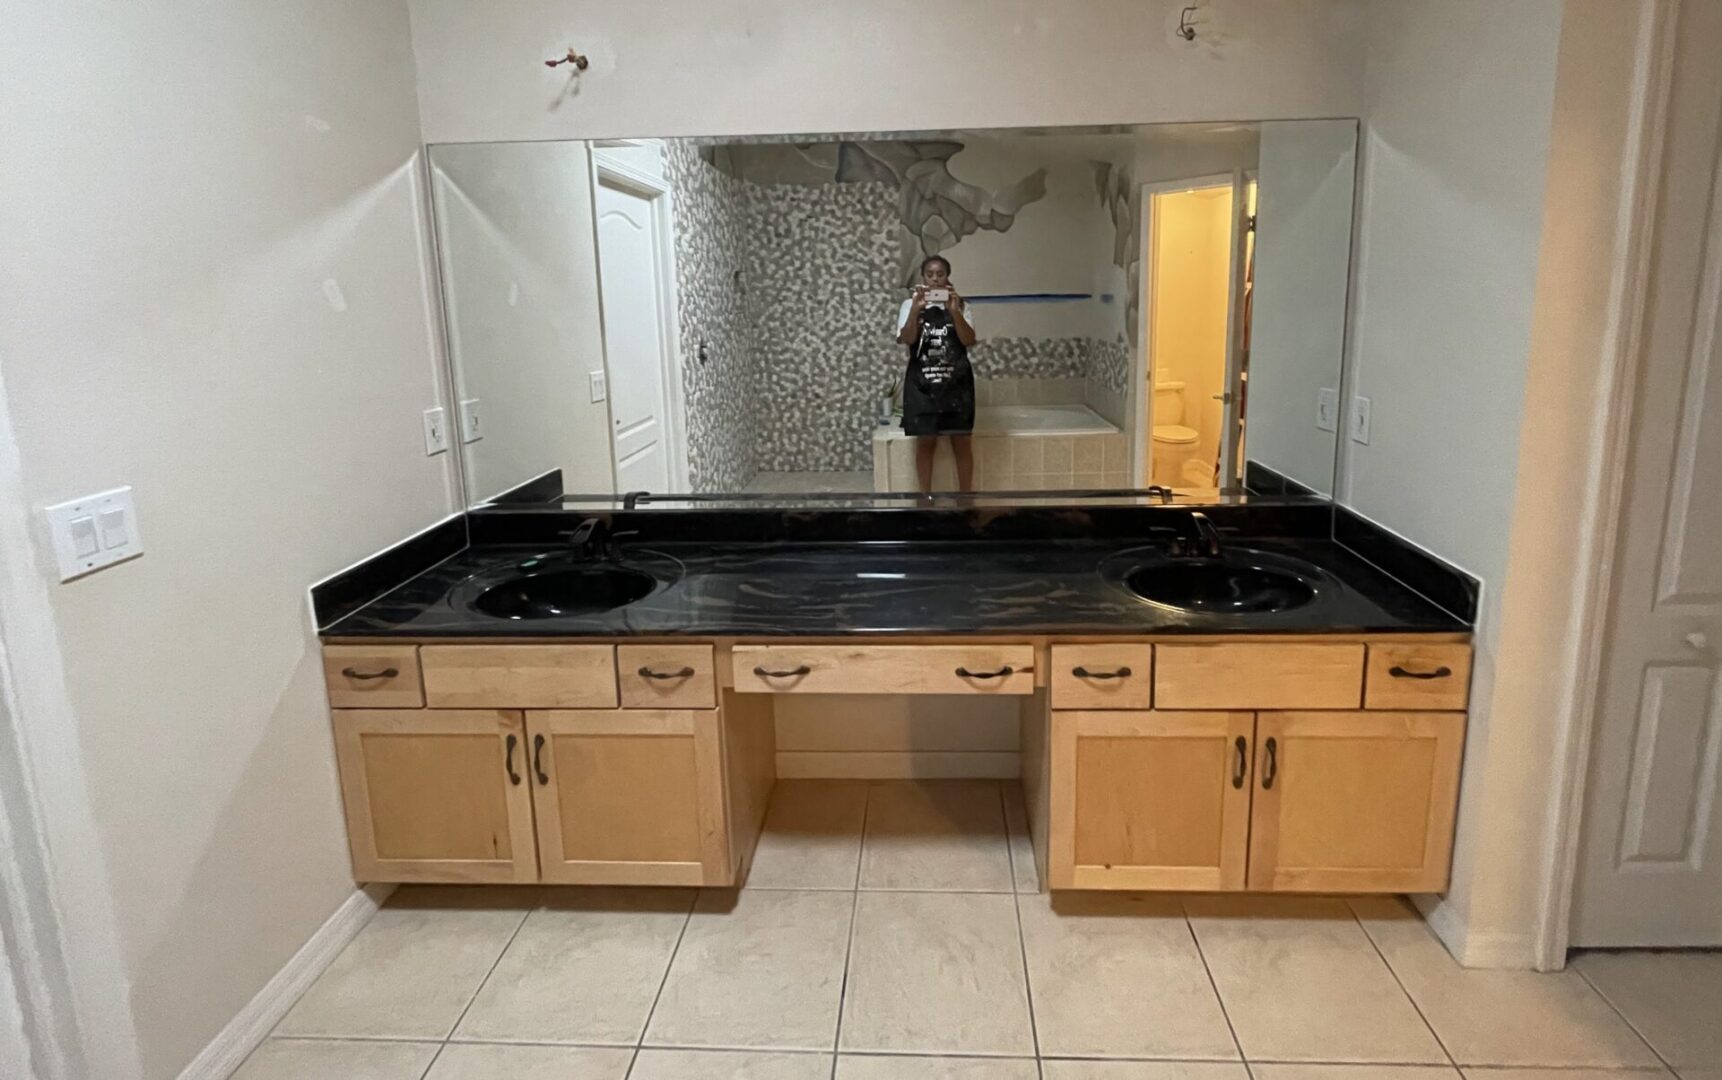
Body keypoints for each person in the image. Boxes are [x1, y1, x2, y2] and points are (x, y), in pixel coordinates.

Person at [895, 255, 979, 493]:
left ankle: (965, 498)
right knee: (925, 444)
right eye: (930, 275)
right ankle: (925, 498)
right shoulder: (908, 305)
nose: (934, 279)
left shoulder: (961, 305)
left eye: (939, 274)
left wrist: (954, 311)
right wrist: (915, 310)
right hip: (923, 387)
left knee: (962, 444)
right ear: (923, 277)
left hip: (957, 387)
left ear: (947, 277)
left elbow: (968, 340)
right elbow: (907, 338)